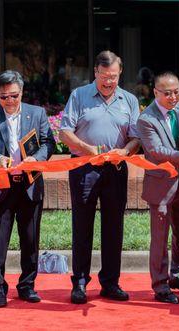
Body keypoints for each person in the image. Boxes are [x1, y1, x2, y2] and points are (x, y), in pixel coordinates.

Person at [60, 50, 140, 304]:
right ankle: (80, 283)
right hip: (85, 166)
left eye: (114, 77)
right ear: (95, 72)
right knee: (82, 225)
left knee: (114, 226)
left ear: (120, 74)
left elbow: (136, 136)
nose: (108, 82)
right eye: (104, 76)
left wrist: (125, 150)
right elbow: (64, 132)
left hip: (116, 168)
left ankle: (110, 282)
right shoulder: (79, 95)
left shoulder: (129, 100)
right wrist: (88, 149)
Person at [0, 70, 55, 308]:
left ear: (22, 92)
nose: (9, 101)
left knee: (30, 239)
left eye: (14, 96)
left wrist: (36, 159)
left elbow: (48, 142)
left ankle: (27, 286)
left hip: (30, 184)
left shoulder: (37, 113)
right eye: (4, 97)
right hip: (1, 184)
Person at [137, 72, 179, 304]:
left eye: (177, 92)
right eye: (167, 93)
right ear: (155, 93)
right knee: (160, 237)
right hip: (161, 183)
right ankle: (161, 285)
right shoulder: (146, 119)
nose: (173, 97)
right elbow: (156, 151)